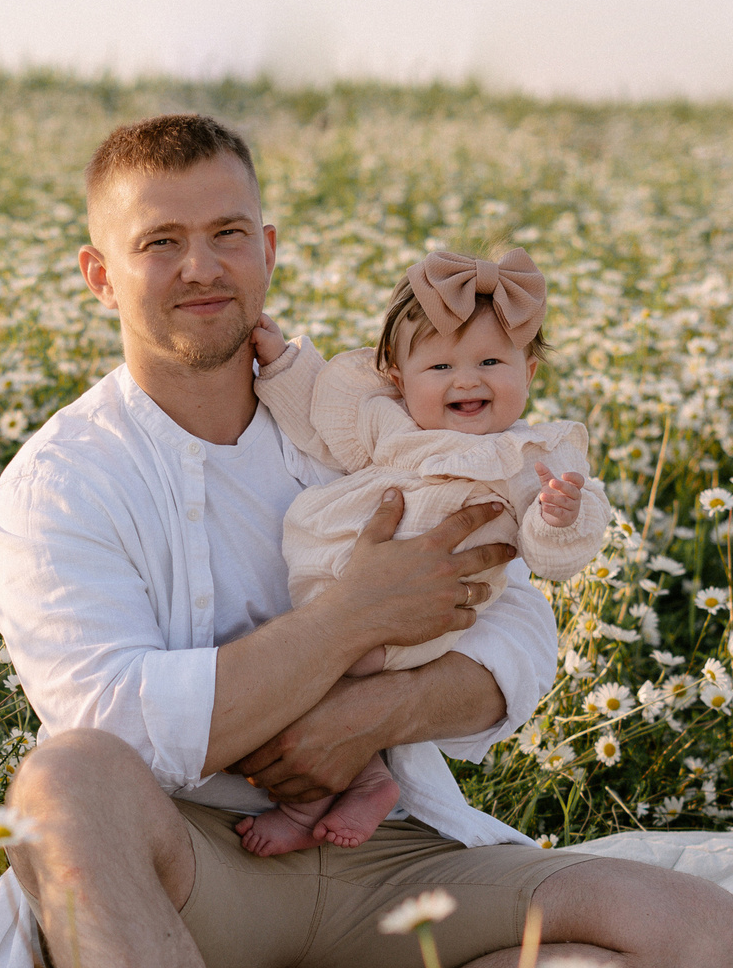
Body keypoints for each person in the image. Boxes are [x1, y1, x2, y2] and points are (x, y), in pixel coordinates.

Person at [0, 113, 733, 968]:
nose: (200, 267)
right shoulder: (62, 481)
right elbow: (120, 726)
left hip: (384, 854)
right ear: (99, 274)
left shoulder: (347, 424)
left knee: (710, 952)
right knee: (59, 782)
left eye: (227, 233)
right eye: (159, 243)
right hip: (194, 874)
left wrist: (378, 713)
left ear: (268, 249)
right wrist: (351, 618)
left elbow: (518, 631)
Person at [233, 246, 611, 856]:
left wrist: (558, 516)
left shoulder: (529, 457)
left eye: (491, 361)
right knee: (306, 659)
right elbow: (319, 422)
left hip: (426, 613)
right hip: (335, 580)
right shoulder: (389, 425)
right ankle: (369, 780)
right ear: (397, 378)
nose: (467, 379)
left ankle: (310, 804)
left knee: (329, 665)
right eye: (439, 366)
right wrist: (281, 363)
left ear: (530, 373)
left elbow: (551, 557)